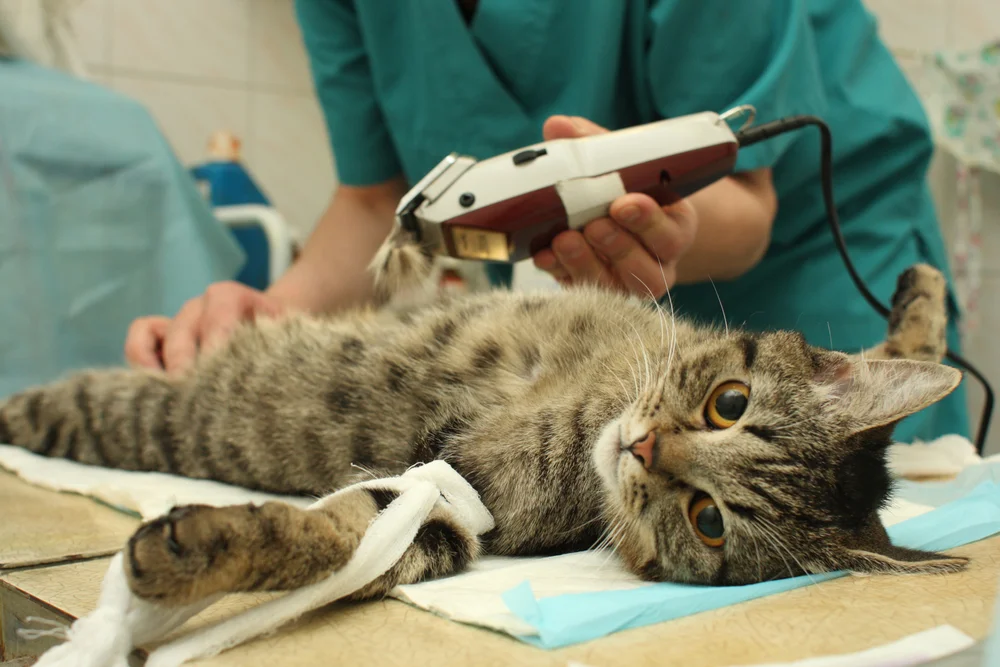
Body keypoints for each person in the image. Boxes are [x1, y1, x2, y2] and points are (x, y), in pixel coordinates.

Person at [125, 0, 970, 444]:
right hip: (626, 322)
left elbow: (746, 209)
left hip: (815, 262)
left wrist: (641, 217)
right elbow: (381, 205)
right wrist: (273, 313)